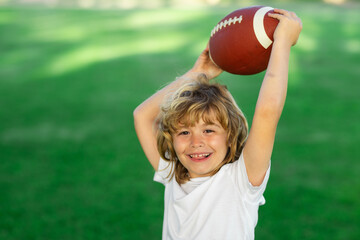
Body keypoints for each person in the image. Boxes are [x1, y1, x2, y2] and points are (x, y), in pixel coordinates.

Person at [133, 8, 302, 240]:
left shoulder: (241, 179)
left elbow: (267, 112)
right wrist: (197, 72)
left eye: (209, 130)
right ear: (172, 138)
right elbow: (142, 115)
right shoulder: (172, 173)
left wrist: (282, 42)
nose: (196, 142)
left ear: (230, 136)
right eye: (184, 132)